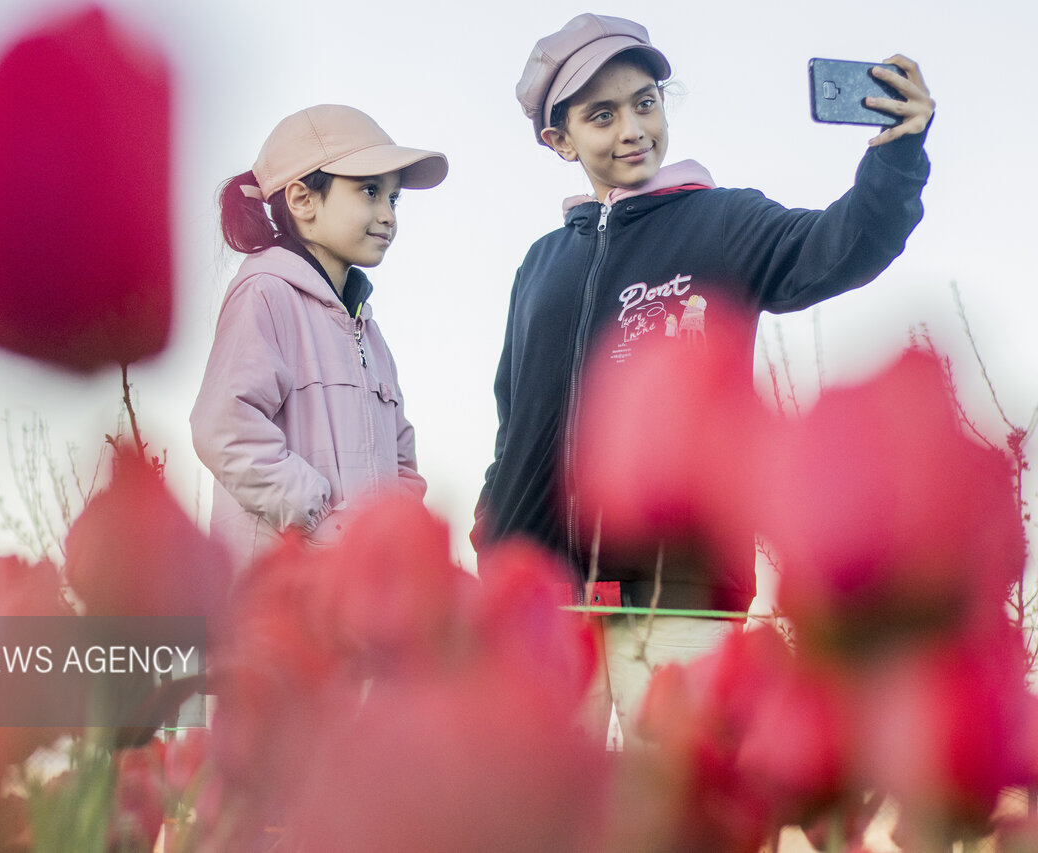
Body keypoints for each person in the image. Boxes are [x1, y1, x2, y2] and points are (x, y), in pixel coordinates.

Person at [471, 13, 933, 743]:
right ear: (559, 140)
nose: (632, 129)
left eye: (646, 103)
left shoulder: (724, 222)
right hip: (543, 604)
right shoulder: (539, 264)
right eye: (602, 115)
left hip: (683, 600)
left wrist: (896, 160)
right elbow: (513, 414)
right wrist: (493, 533)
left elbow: (841, 246)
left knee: (691, 816)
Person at [191, 104, 447, 567]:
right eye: (370, 191)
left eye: (393, 198)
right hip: (280, 600)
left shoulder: (368, 330)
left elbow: (403, 464)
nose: (388, 215)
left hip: (364, 603)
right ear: (303, 199)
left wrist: (399, 544)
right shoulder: (265, 294)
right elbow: (225, 428)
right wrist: (323, 520)